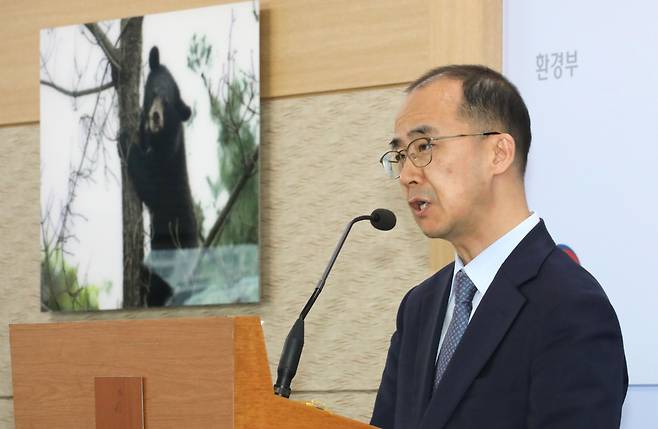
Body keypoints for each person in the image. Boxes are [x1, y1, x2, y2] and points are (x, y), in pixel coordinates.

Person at [371, 65, 628, 429]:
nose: (408, 174)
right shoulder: (419, 306)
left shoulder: (570, 307)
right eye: (400, 155)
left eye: (424, 146)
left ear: (498, 153)